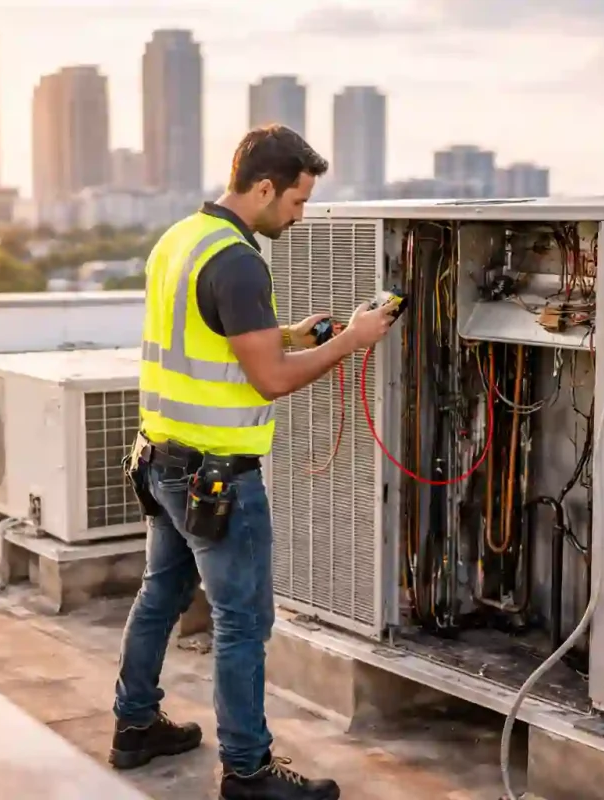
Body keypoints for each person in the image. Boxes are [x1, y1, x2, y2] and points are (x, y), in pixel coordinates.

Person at [109, 124, 398, 800]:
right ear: (264, 186)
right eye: (296, 202)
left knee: (160, 596)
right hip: (215, 476)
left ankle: (135, 727)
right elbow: (270, 381)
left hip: (161, 458)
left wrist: (292, 333)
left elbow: (213, 337)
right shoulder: (239, 261)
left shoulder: (180, 239)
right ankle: (248, 772)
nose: (299, 216)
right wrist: (351, 341)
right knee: (241, 623)